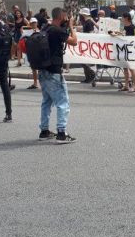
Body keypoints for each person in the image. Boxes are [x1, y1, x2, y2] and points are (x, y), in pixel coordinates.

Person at [37, 7, 78, 143]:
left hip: (42, 71)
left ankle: (44, 131)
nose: (66, 19)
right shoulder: (57, 31)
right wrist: (71, 26)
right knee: (62, 102)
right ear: (61, 16)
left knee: (46, 102)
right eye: (65, 17)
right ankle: (61, 133)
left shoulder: (46, 28)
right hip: (54, 72)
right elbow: (74, 41)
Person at [119, 13, 135, 93]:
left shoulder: (133, 27)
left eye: (122, 17)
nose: (121, 19)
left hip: (131, 50)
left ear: (126, 18)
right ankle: (126, 85)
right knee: (125, 68)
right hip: (123, 50)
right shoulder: (122, 27)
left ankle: (134, 86)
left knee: (131, 68)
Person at [79, 8, 97, 83]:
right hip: (85, 43)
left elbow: (90, 33)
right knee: (82, 60)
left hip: (87, 44)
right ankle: (88, 77)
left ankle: (90, 74)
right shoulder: (87, 21)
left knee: (83, 60)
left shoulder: (89, 22)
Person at [25, 18, 40, 90]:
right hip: (31, 52)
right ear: (30, 24)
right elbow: (22, 42)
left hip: (39, 52)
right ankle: (35, 83)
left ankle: (43, 82)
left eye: (35, 23)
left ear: (37, 23)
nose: (34, 24)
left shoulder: (41, 31)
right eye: (32, 23)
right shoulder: (27, 32)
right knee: (33, 68)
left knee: (41, 68)